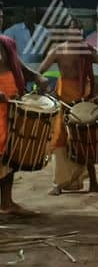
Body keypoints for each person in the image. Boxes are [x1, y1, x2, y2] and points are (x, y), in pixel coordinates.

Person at [39, 18, 98, 195]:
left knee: (86, 140)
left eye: (79, 32)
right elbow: (41, 71)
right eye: (72, 31)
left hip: (83, 101)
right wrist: (45, 87)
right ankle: (58, 184)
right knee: (60, 140)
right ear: (67, 33)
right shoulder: (58, 50)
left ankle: (94, 183)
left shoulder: (88, 51)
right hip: (63, 100)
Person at [0, 33, 50, 214]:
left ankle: (6, 203)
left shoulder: (6, 43)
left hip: (12, 104)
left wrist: (37, 77)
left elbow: (20, 68)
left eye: (0, 17)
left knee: (9, 151)